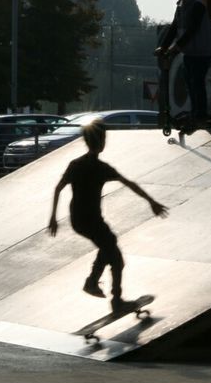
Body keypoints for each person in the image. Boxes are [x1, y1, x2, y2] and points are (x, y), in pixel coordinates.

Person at [48, 119, 168, 308]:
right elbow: (130, 184)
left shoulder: (75, 164)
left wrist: (53, 218)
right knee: (114, 254)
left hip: (78, 220)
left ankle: (98, 285)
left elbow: (58, 189)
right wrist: (151, 201)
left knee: (110, 250)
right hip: (92, 220)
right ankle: (109, 294)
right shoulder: (101, 168)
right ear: (101, 141)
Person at [155, 0, 211, 128]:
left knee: (197, 83)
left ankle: (201, 115)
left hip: (202, 52)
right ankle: (195, 113)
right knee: (190, 83)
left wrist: (177, 46)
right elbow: (174, 28)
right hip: (189, 53)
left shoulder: (197, 5)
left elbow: (192, 30)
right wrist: (164, 46)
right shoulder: (180, 7)